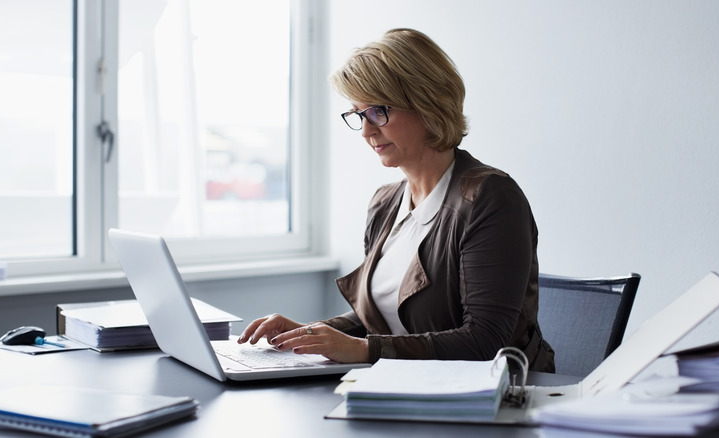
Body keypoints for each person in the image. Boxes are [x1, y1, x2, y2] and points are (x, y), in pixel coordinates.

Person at [238, 28, 555, 372]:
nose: (366, 130)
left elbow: (485, 341)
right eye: (358, 114)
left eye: (378, 111)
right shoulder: (385, 203)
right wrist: (310, 333)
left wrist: (363, 350)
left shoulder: (490, 197)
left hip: (484, 401)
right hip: (408, 386)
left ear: (427, 103)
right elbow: (379, 320)